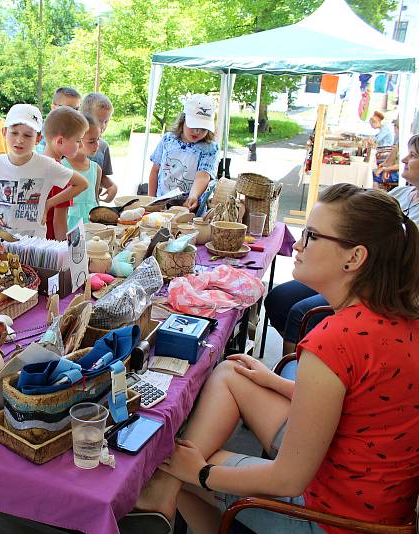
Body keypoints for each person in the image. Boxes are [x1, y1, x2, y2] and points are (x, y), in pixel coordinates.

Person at [123, 183, 419, 534]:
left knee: (173, 465)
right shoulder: (400, 317)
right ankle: (166, 497)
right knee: (233, 370)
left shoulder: (335, 340)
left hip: (337, 519)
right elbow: (363, 404)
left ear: (354, 258)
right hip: (374, 495)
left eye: (312, 236)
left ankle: (164, 494)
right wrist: (274, 381)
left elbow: (289, 480)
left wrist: (201, 473)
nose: (299, 245)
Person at [265, 133, 419, 355]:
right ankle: (296, 362)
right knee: (280, 298)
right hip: (352, 274)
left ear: (355, 256)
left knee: (301, 313)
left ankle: (297, 362)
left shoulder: (337, 335)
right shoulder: (401, 193)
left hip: (371, 282)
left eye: (312, 236)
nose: (403, 160)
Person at [0, 104, 88, 238]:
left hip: (35, 246)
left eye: (28, 135)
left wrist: (48, 204)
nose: (20, 140)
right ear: (4, 133)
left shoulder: (46, 165)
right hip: (2, 243)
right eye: (14, 133)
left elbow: (82, 184)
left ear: (38, 139)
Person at [147, 94, 218, 212]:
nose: (197, 131)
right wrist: (151, 200)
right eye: (194, 125)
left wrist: (193, 196)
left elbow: (203, 176)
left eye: (203, 128)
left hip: (189, 208)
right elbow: (155, 171)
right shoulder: (167, 140)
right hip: (161, 205)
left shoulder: (210, 148)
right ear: (183, 119)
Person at [41, 106, 89, 240]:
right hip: (50, 245)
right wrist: (63, 251)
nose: (81, 146)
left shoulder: (38, 163)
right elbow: (59, 222)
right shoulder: (59, 174)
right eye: (78, 140)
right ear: (60, 141)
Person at [66, 113, 105, 231]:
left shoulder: (96, 169)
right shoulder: (62, 167)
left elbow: (95, 199)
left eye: (98, 139)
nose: (97, 145)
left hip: (92, 225)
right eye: (91, 141)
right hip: (69, 226)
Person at [81, 92, 117, 201]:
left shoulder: (103, 146)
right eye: (99, 120)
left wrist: (112, 186)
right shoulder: (70, 144)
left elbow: (100, 176)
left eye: (106, 121)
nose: (103, 126)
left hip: (93, 204)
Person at [37, 87, 82, 153]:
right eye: (68, 109)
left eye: (76, 109)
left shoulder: (81, 135)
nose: (74, 113)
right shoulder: (38, 133)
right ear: (53, 108)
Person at [373, 116, 399, 192]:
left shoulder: (404, 144)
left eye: (395, 127)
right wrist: (382, 167)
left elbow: (402, 165)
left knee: (374, 176)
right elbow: (389, 161)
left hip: (398, 173)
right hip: (393, 169)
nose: (394, 130)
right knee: (375, 172)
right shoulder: (399, 143)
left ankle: (377, 197)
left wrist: (385, 169)